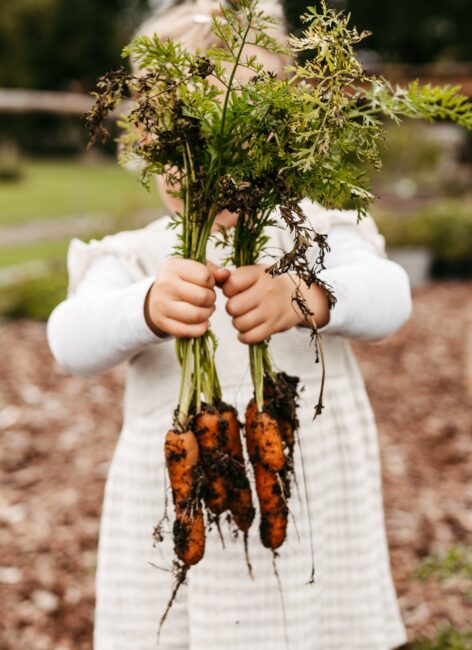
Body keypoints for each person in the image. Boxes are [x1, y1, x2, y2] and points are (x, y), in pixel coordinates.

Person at [47, 1, 412, 648]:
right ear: (145, 145)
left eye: (236, 138)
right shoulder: (134, 258)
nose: (205, 168)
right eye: (178, 143)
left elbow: (390, 298)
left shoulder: (316, 236)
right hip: (182, 504)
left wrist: (309, 297)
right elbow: (69, 340)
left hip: (311, 506)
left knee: (316, 626)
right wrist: (144, 308)